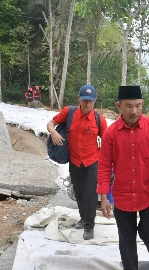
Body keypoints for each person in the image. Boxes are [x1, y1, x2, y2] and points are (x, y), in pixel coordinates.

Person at [97, 85, 149, 270]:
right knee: (126, 235)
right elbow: (103, 166)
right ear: (119, 106)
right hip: (122, 193)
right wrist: (103, 196)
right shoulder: (111, 133)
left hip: (148, 192)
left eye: (137, 106)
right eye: (128, 106)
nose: (134, 111)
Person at [46, 84, 107, 240]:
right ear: (79, 99)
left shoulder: (99, 119)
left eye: (90, 101)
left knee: (90, 193)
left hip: (92, 161)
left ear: (95, 101)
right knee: (78, 192)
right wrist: (53, 132)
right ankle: (83, 218)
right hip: (74, 161)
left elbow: (107, 142)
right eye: (84, 100)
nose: (87, 104)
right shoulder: (69, 112)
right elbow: (50, 123)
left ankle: (89, 226)